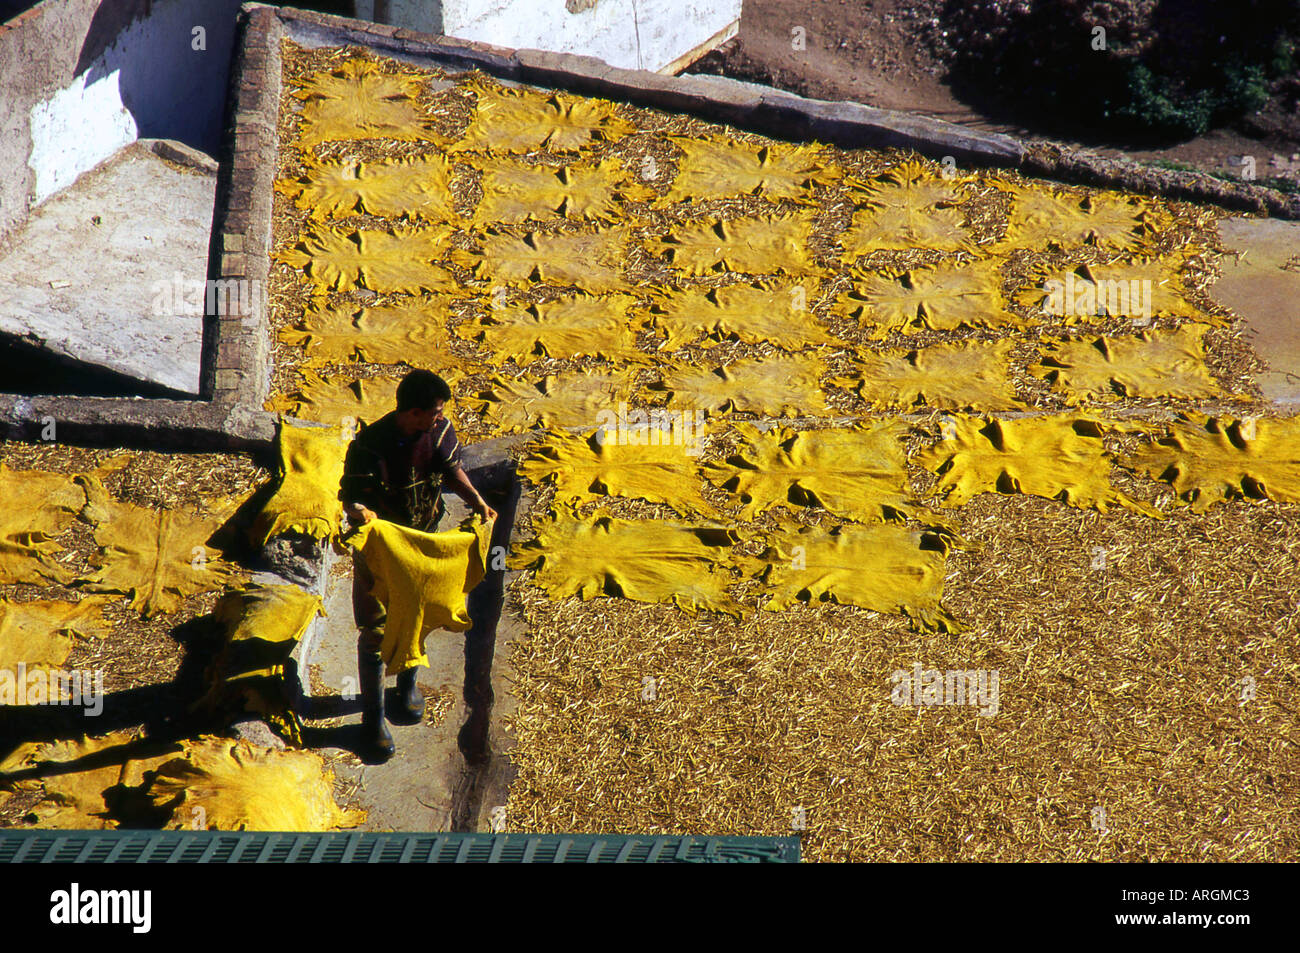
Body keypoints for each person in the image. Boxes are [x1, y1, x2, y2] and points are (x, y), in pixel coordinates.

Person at [339, 369, 497, 761]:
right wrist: (362, 513)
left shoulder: (439, 433)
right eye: (434, 412)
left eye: (441, 411)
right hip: (383, 551)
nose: (440, 418)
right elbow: (350, 498)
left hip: (424, 539)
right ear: (411, 412)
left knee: (420, 611)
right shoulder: (369, 447)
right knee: (376, 629)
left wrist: (476, 500)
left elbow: (450, 470)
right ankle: (373, 720)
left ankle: (406, 686)